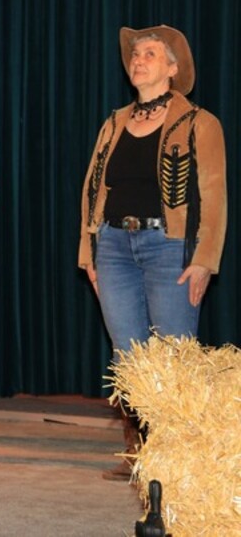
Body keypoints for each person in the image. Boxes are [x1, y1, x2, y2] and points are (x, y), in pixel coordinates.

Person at [79, 25, 226, 480]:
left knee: (174, 354)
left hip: (170, 247)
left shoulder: (199, 122)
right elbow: (92, 190)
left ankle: (178, 458)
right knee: (128, 355)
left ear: (173, 68)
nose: (138, 60)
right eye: (135, 54)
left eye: (149, 54)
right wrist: (89, 252)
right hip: (114, 246)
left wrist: (204, 259)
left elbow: (214, 195)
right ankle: (142, 452)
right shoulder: (113, 123)